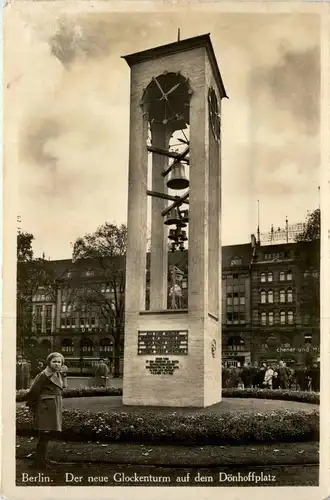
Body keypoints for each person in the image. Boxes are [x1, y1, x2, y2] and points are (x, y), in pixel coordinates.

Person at [25, 352, 64, 469]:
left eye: (59, 362)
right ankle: (39, 462)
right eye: (54, 362)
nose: (57, 364)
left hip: (53, 406)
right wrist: (33, 406)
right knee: (44, 434)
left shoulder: (56, 373)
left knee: (47, 435)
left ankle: (42, 459)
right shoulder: (44, 375)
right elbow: (33, 391)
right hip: (45, 407)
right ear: (49, 362)